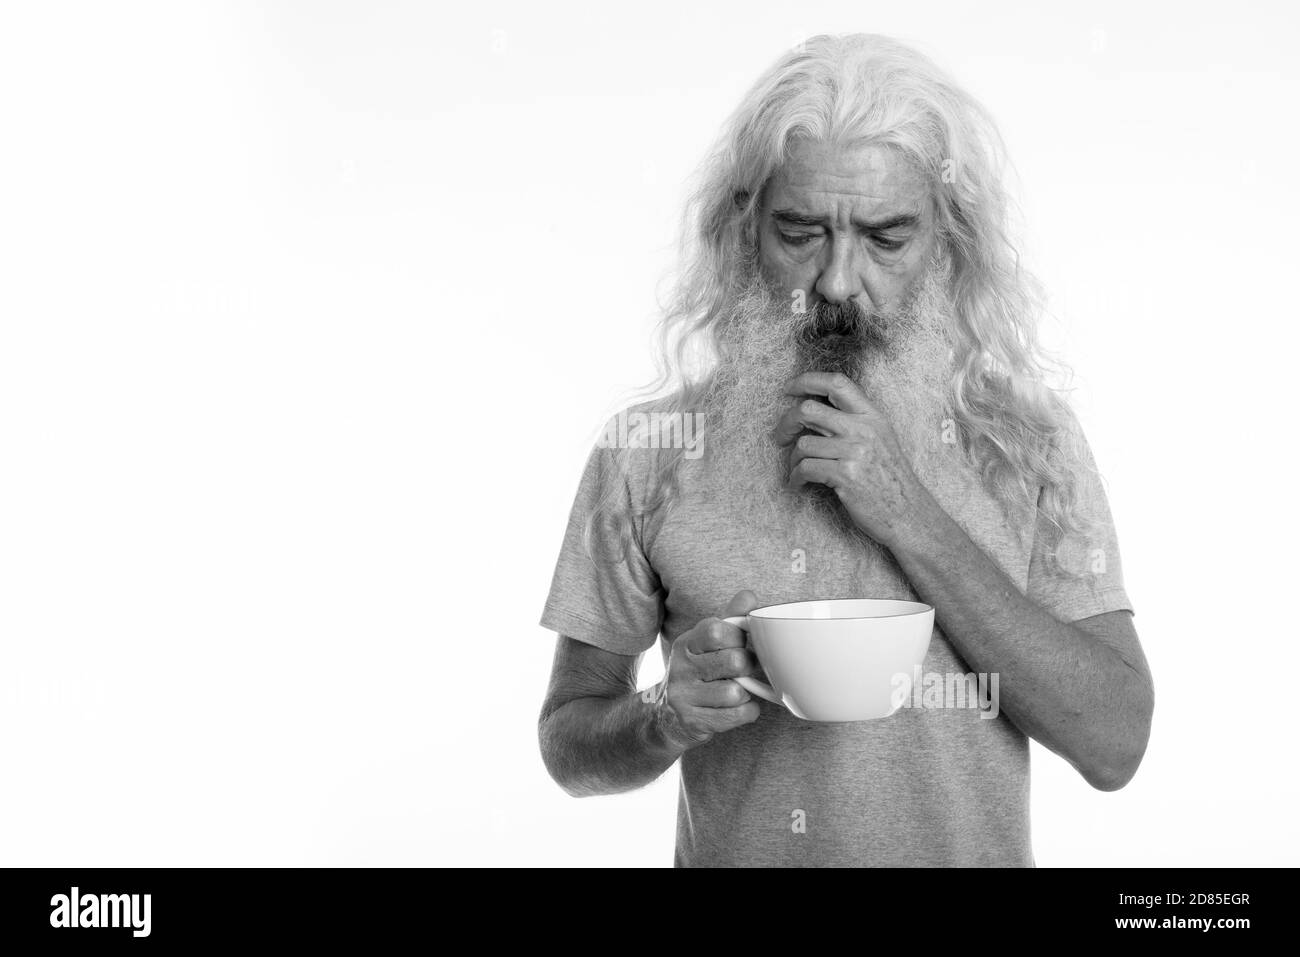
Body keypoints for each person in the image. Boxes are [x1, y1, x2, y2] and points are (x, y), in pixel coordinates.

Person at [537, 33, 1154, 867]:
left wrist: (912, 516)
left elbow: (1115, 743)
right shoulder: (645, 454)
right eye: (800, 231)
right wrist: (662, 714)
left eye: (886, 237)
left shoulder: (1027, 441)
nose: (834, 281)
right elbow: (567, 743)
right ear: (743, 226)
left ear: (949, 241)